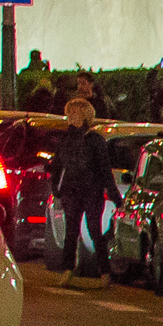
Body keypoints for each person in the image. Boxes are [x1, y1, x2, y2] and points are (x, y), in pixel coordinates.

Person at [54, 98, 114, 285]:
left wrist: (112, 192)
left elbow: (104, 168)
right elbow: (57, 165)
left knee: (94, 229)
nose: (69, 117)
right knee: (70, 232)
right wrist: (56, 188)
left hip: (91, 191)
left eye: (72, 113)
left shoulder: (95, 140)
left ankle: (104, 271)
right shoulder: (66, 139)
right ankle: (67, 270)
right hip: (71, 191)